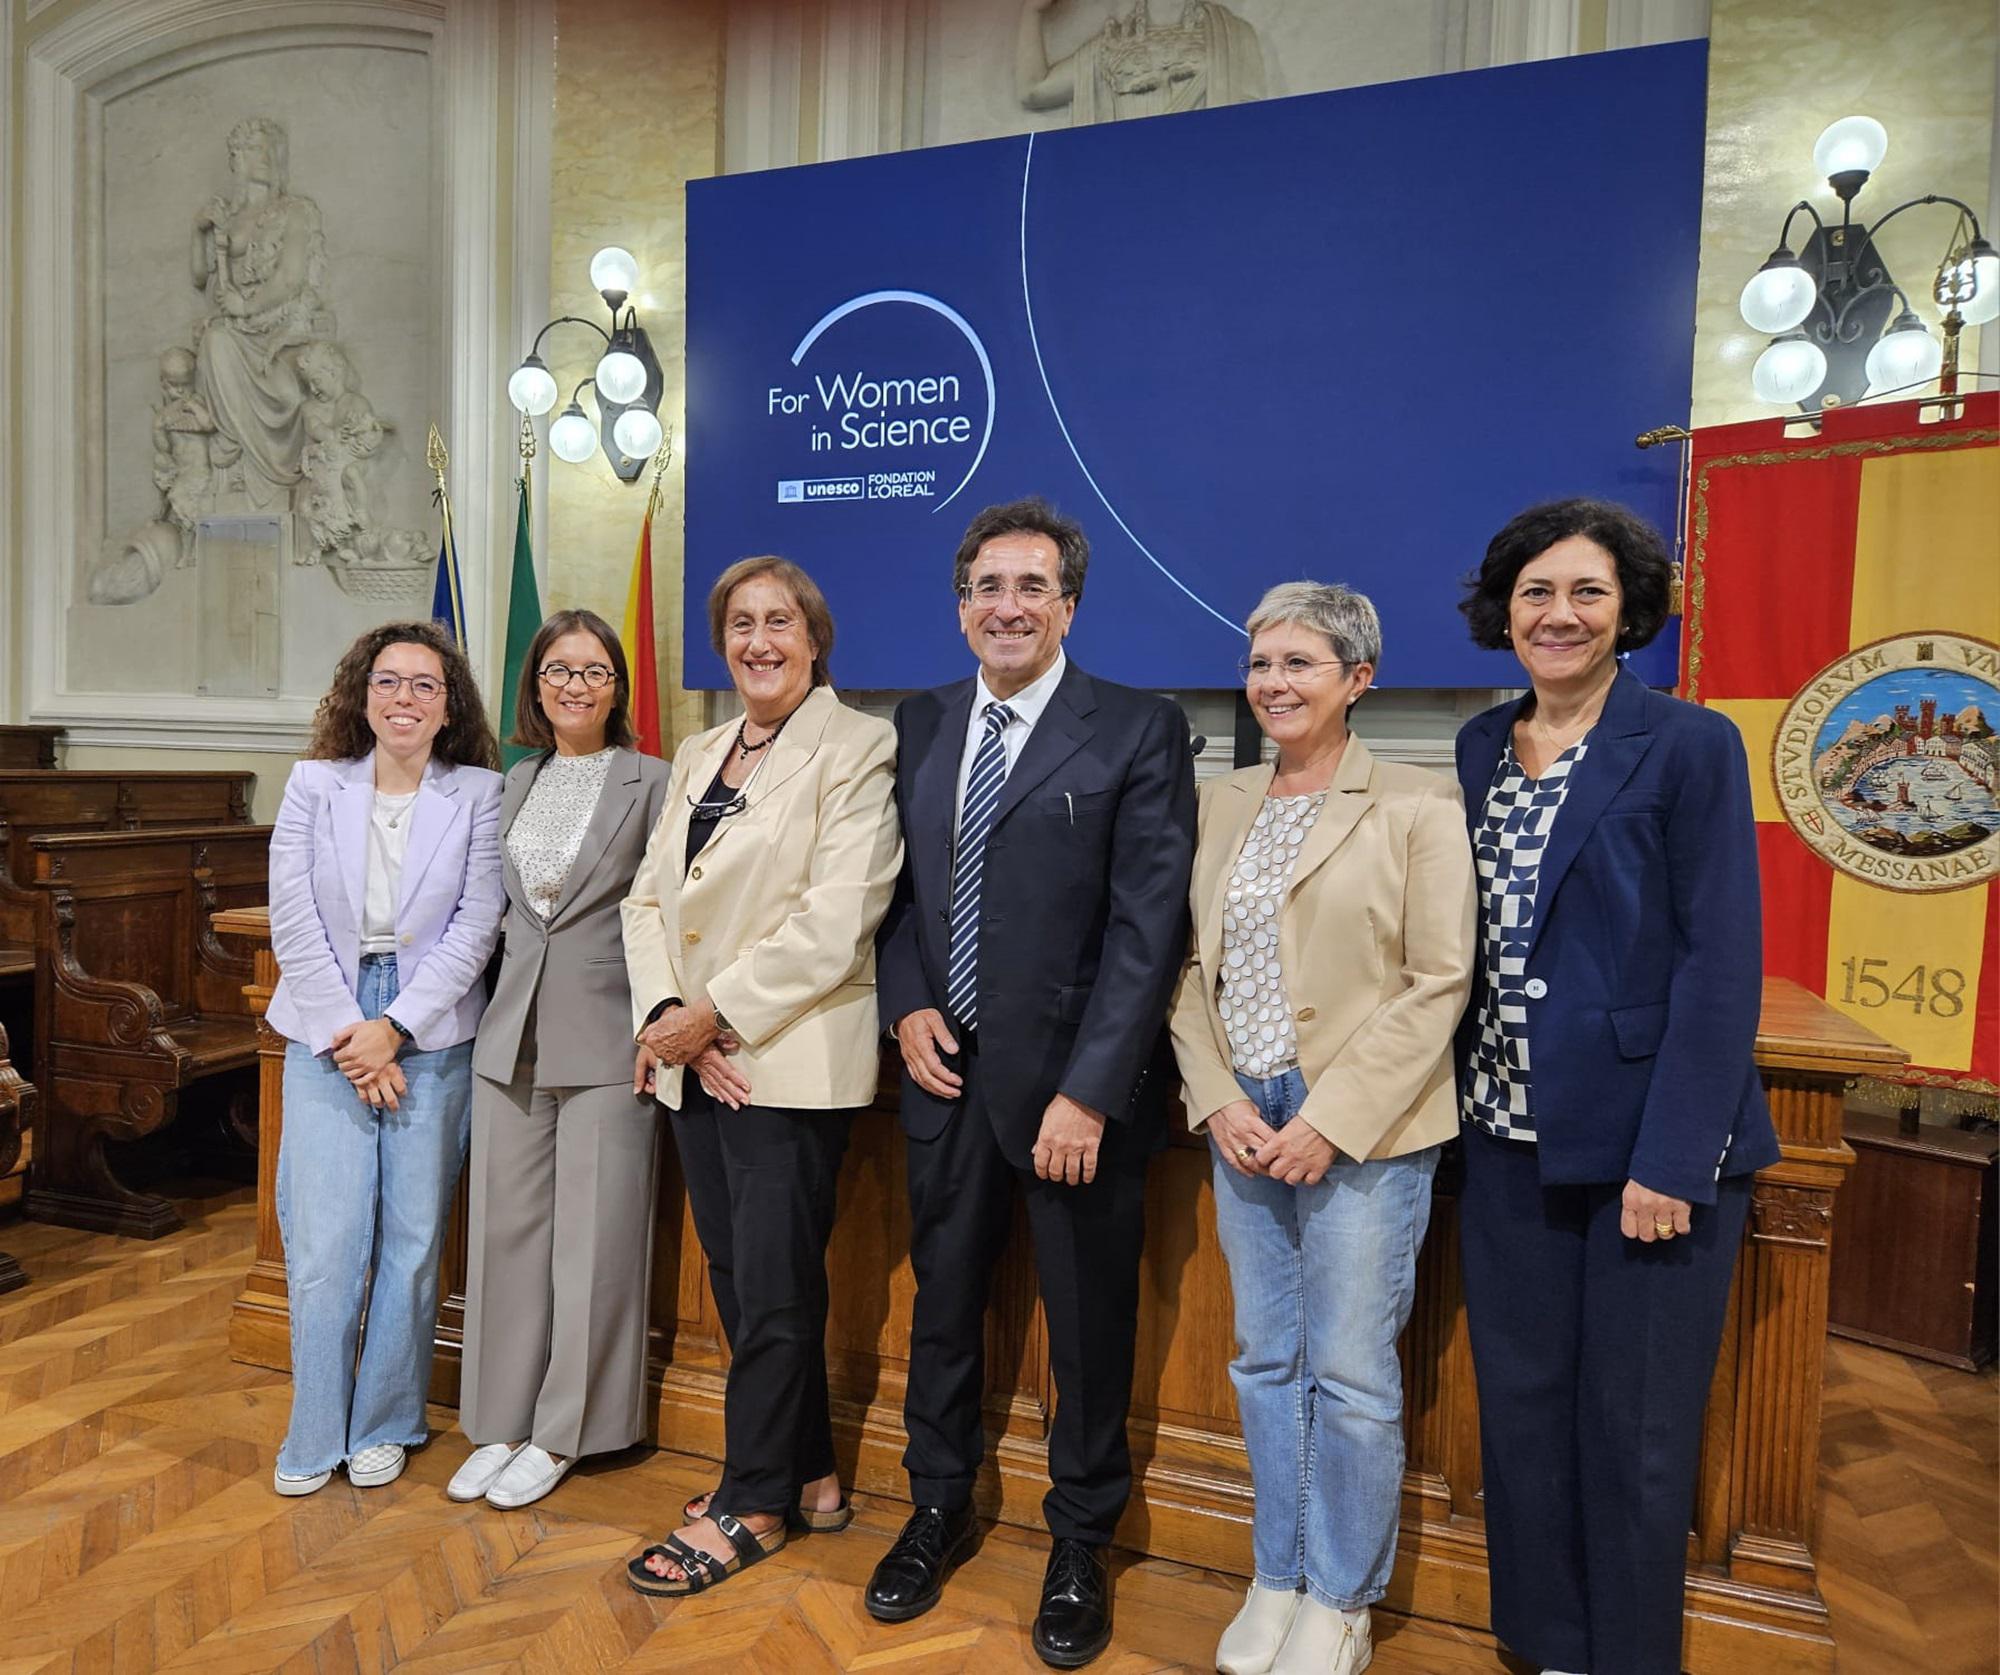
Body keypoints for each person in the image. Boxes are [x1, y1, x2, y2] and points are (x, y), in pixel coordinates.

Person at [1452, 500, 1780, 1675]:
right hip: (1502, 1137)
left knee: (1634, 1436)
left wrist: (1671, 1156)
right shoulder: (1479, 742)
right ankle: (1542, 1644)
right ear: (1504, 610)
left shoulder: (1689, 743)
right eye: (1535, 592)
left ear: (1628, 609)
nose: (1558, 614)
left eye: (1585, 592)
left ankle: (1630, 1657)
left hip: (1647, 1153)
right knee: (1523, 1418)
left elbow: (1717, 959)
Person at [869, 496, 1195, 1668]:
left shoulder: (1135, 728)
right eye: (985, 588)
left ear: (1067, 605)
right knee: (943, 1312)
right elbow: (897, 895)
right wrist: (905, 1001)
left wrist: (1091, 1089)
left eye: (1030, 587)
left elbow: (1145, 926)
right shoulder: (919, 721)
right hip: (940, 1080)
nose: (1006, 606)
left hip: (1071, 1102)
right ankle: (934, 1507)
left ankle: (1078, 1540)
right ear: (959, 609)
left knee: (1087, 1328)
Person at [1170, 583, 1475, 1675]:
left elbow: (1438, 980)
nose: (1273, 685)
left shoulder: (1415, 804)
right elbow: (1185, 969)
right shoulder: (1218, 802)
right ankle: (1277, 1572)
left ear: (1357, 679)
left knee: (1346, 1370)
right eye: (1260, 665)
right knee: (1262, 1361)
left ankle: (1340, 1597)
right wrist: (1215, 1096)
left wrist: (1332, 1120)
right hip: (1241, 1115)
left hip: (1364, 1123)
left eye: (1299, 664)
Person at [620, 557, 902, 1598]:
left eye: (778, 620)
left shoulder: (860, 743)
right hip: (693, 1064)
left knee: (779, 1285)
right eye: (739, 622)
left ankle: (751, 1499)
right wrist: (663, 1020)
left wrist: (712, 1017)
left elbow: (838, 917)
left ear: (814, 637)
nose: (757, 640)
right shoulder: (696, 749)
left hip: (781, 1058)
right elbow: (646, 902)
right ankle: (811, 1473)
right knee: (739, 1277)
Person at [264, 620, 504, 1496]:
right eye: (389, 683)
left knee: (411, 1237)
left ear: (449, 707)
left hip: (430, 1028)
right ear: (361, 697)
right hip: (325, 1020)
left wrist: (394, 1027)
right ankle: (315, 1428)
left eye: (425, 686)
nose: (405, 699)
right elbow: (289, 913)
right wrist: (352, 1034)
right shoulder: (313, 784)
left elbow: (478, 923)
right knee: (325, 1240)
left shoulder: (479, 791)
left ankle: (387, 1421)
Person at [448, 609, 672, 1510]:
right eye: (557, 670)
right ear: (535, 686)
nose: (575, 684)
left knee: (594, 1245)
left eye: (594, 670)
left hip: (614, 1034)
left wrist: (661, 1023)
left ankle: (564, 1432)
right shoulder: (509, 782)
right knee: (505, 1237)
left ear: (618, 687)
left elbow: (667, 908)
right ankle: (498, 1420)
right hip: (512, 1035)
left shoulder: (654, 780)